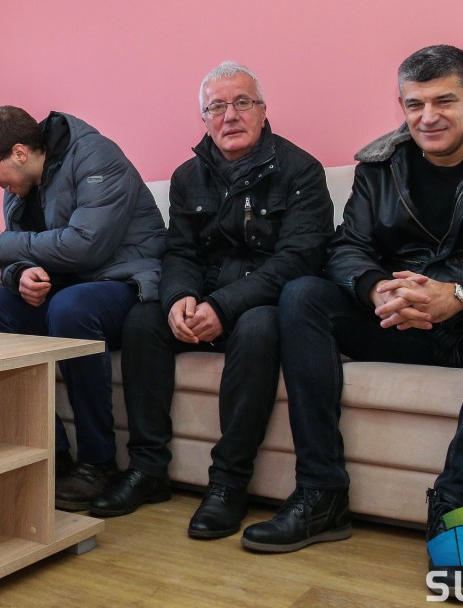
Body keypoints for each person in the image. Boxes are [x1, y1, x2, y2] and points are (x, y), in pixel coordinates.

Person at [239, 46, 463, 585]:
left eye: (444, 101)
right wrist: (376, 289)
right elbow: (348, 247)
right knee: (302, 294)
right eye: (414, 104)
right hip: (399, 323)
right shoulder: (380, 165)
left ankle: (458, 510)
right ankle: (320, 493)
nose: (428, 117)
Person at [90, 62, 333, 541]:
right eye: (216, 107)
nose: (230, 116)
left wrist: (222, 307)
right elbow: (179, 252)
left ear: (262, 110)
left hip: (262, 300)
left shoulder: (301, 170)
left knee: (259, 327)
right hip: (203, 296)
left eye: (242, 102)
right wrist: (179, 297)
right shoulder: (187, 177)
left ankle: (228, 484)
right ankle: (147, 469)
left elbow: (299, 259)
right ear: (204, 118)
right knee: (143, 319)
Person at [0, 106, 166, 511]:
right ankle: (49, 451)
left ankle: (97, 462)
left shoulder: (97, 157)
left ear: (19, 153)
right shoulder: (19, 189)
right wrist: (20, 275)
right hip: (67, 289)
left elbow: (86, 245)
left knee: (71, 308)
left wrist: (5, 247)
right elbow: (16, 258)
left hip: (125, 282)